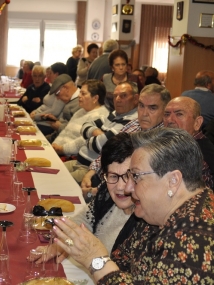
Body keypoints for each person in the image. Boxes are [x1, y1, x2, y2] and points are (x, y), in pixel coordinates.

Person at [53, 128, 214, 283]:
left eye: (136, 176)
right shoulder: (156, 213)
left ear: (173, 181)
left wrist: (96, 260)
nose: (128, 188)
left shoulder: (197, 237)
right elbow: (122, 261)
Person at [32, 132, 135, 270]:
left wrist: (92, 258)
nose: (121, 187)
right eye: (113, 176)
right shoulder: (106, 192)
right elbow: (84, 220)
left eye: (128, 176)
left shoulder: (148, 220)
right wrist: (63, 241)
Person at [82, 84, 170, 199]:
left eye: (152, 108)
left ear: (165, 111)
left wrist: (95, 192)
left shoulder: (162, 142)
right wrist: (90, 172)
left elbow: (138, 186)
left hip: (121, 195)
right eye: (141, 106)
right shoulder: (133, 124)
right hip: (101, 179)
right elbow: (109, 152)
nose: (144, 113)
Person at [65, 81, 138, 183]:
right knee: (50, 170)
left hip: (89, 169)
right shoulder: (115, 114)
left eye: (123, 96)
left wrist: (87, 140)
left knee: (57, 181)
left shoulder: (131, 121)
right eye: (115, 96)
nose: (117, 99)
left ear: (135, 98)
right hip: (78, 162)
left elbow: (101, 146)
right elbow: (85, 126)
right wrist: (97, 133)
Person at [163, 96, 214, 187]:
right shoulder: (172, 146)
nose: (170, 120)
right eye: (167, 114)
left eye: (179, 114)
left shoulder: (199, 157)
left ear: (197, 123)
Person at [51, 80, 109, 155]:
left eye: (83, 93)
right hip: (59, 151)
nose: (79, 95)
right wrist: (55, 145)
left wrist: (62, 149)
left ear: (95, 98)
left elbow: (84, 141)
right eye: (80, 92)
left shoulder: (100, 116)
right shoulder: (81, 111)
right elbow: (66, 131)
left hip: (73, 157)